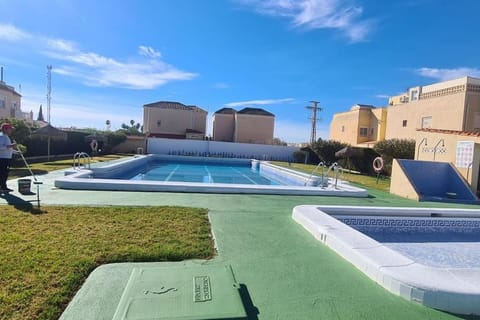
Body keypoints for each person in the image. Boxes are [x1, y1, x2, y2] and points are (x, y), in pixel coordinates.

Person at [0, 123, 17, 193]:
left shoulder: (6, 137)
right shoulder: (2, 137)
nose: (11, 131)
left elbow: (8, 148)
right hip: (3, 159)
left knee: (4, 173)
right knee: (3, 173)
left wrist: (16, 152)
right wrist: (10, 146)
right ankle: (3, 187)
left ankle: (3, 187)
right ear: (5, 129)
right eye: (10, 129)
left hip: (6, 158)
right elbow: (1, 147)